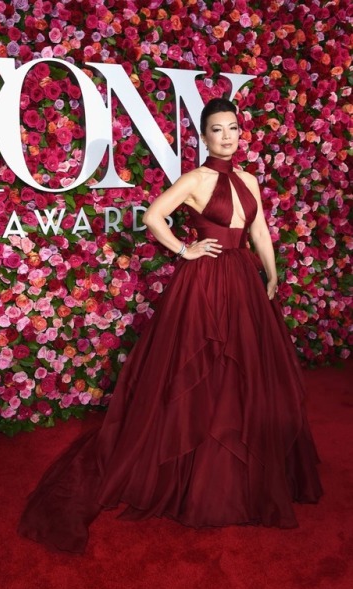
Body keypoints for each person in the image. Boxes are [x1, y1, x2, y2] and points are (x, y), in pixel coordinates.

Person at [18, 98, 323, 553]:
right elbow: (153, 216)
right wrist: (185, 250)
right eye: (217, 129)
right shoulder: (196, 178)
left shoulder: (249, 180)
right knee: (202, 368)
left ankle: (243, 465)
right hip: (203, 285)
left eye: (233, 128)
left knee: (245, 372)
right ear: (204, 136)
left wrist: (272, 271)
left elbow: (259, 232)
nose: (227, 136)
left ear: (242, 132)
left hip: (243, 282)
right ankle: (195, 467)